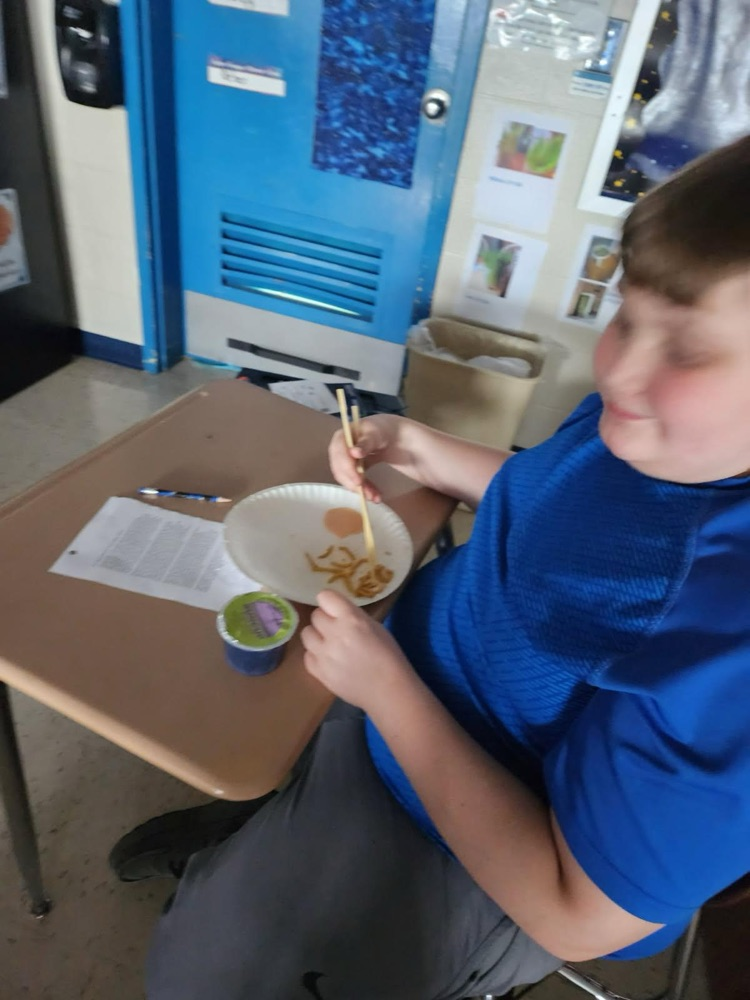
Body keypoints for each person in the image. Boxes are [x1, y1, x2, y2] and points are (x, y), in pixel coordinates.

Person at [115, 135, 750, 999]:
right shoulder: (673, 437)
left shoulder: (730, 651)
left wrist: (389, 695)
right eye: (627, 317)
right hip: (393, 678)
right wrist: (421, 448)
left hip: (471, 842)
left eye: (686, 348)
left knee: (204, 979)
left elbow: (571, 910)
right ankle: (253, 838)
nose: (619, 370)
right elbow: (556, 513)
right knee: (241, 729)